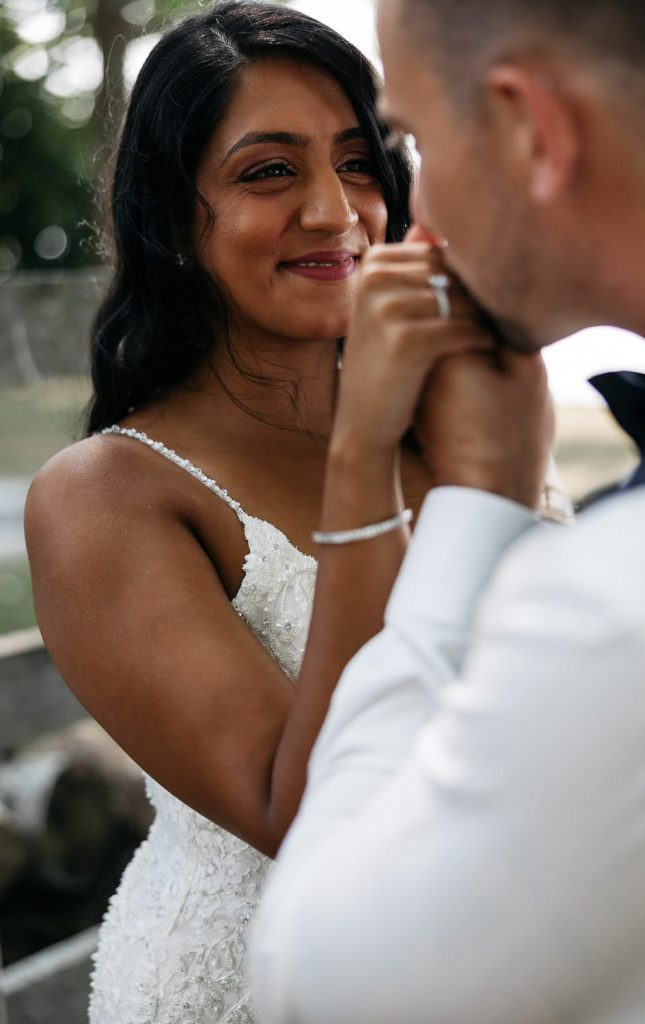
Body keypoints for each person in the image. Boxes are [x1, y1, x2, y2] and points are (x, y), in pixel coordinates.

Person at [249, 1, 645, 1021]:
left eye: (407, 144)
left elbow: (324, 990)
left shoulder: (624, 600)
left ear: (532, 131)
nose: (406, 203)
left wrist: (471, 507)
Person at [22, 3, 438, 1020]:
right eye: (268, 171)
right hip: (251, 987)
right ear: (173, 214)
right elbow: (299, 812)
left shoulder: (452, 422)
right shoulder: (108, 496)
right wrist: (363, 452)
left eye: (355, 162)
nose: (335, 211)